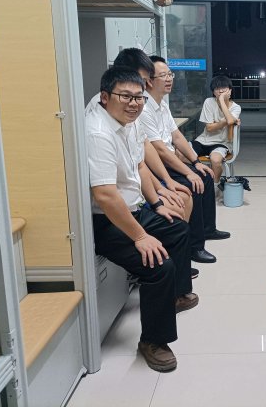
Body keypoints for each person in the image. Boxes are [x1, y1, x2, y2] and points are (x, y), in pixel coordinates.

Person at [87, 67, 194, 372]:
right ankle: (153, 342)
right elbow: (105, 196)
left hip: (132, 209)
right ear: (105, 97)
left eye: (138, 98)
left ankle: (173, 297)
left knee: (177, 228)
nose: (134, 103)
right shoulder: (98, 133)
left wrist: (158, 203)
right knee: (159, 265)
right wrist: (141, 236)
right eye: (126, 96)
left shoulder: (129, 123)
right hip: (107, 220)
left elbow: (140, 167)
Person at [86, 48, 199, 279]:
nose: (143, 87)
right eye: (144, 79)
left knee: (183, 209)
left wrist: (159, 197)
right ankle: (166, 269)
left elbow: (140, 162)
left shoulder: (134, 112)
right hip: (111, 214)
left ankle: (180, 283)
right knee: (184, 196)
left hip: (136, 199)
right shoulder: (101, 126)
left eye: (143, 86)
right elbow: (106, 194)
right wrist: (142, 232)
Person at [139, 55, 231, 265]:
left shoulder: (162, 104)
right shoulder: (144, 108)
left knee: (204, 174)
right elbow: (160, 150)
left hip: (169, 159)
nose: (169, 79)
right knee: (193, 184)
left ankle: (208, 229)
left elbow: (177, 137)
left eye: (170, 74)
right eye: (163, 75)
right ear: (149, 81)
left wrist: (196, 162)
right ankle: (195, 247)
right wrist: (189, 172)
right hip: (157, 166)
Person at [190, 75, 241, 183]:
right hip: (203, 140)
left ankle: (214, 184)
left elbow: (230, 121)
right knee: (181, 153)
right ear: (213, 92)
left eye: (224, 88)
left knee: (216, 160)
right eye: (217, 89)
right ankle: (195, 181)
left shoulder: (236, 107)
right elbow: (209, 128)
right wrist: (225, 121)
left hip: (222, 143)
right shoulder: (209, 102)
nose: (221, 91)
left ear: (230, 90)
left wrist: (221, 100)